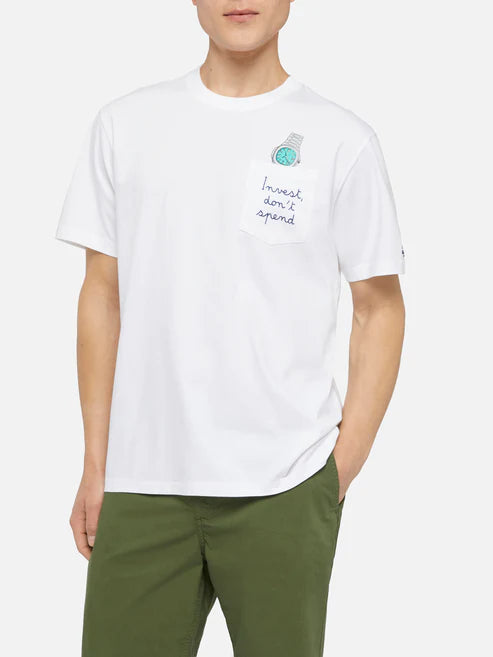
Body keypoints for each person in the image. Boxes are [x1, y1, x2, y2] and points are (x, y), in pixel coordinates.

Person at [56, 1, 406, 655]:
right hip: (142, 482)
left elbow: (378, 306)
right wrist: (95, 465)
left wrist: (335, 473)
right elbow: (102, 296)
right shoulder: (125, 126)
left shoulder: (340, 139)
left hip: (285, 484)